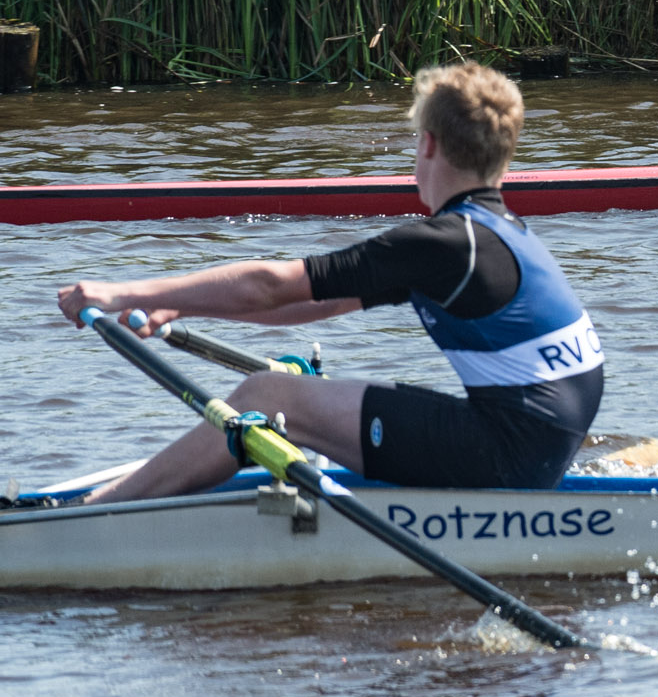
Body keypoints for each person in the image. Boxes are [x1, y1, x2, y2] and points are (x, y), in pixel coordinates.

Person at [54, 62, 603, 503]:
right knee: (301, 398)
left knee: (268, 396)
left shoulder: (441, 244)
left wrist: (124, 293)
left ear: (429, 145)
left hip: (506, 455)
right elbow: (314, 302)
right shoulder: (498, 234)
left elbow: (272, 284)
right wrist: (185, 306)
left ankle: (94, 513)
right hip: (539, 448)